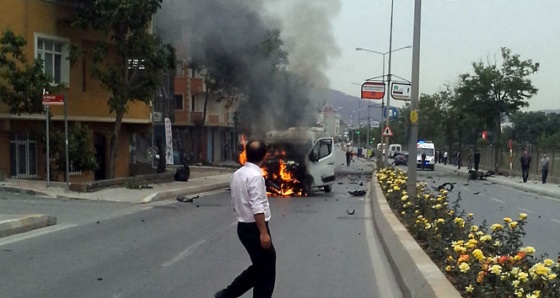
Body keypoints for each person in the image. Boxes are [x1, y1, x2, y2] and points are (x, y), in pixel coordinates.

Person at [215, 140, 276, 298]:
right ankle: (228, 294)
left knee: (261, 266)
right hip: (254, 228)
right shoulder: (256, 176)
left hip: (243, 227)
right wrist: (263, 232)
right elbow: (257, 206)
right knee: (266, 269)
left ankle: (228, 294)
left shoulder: (238, 174)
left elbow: (235, 201)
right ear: (264, 156)